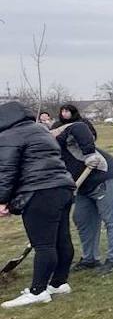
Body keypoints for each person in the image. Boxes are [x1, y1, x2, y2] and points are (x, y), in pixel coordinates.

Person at [0, 101, 77, 308]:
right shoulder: (41, 131)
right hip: (63, 188)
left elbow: (6, 171)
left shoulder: (9, 136)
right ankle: (59, 282)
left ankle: (38, 291)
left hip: (40, 193)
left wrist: (2, 200)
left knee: (43, 245)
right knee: (62, 239)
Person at [51, 106, 113, 274]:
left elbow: (80, 127)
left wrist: (89, 153)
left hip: (104, 176)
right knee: (82, 219)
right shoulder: (37, 157)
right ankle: (90, 259)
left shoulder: (57, 137)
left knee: (112, 219)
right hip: (82, 185)